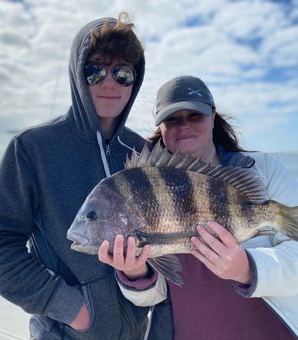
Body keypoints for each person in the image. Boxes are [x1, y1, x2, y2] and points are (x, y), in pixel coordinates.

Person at [0, 12, 151, 339]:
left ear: (135, 80)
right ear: (77, 75)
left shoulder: (142, 152)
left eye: (122, 72)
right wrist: (67, 306)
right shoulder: (32, 148)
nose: (109, 82)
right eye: (94, 70)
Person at [99, 75, 298, 339]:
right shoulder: (145, 188)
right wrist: (134, 271)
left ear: (213, 117)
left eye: (194, 115)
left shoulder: (262, 171)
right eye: (172, 119)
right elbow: (150, 297)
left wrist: (247, 268)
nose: (183, 126)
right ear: (161, 128)